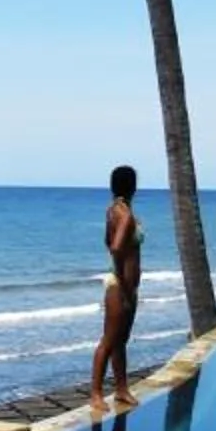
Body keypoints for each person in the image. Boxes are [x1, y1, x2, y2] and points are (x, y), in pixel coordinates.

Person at [91, 164, 146, 414]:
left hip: (125, 285)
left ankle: (121, 389)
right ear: (132, 186)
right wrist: (124, 283)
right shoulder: (125, 215)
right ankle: (96, 394)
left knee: (121, 341)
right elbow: (115, 247)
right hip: (120, 286)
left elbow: (107, 241)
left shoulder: (114, 210)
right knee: (109, 340)